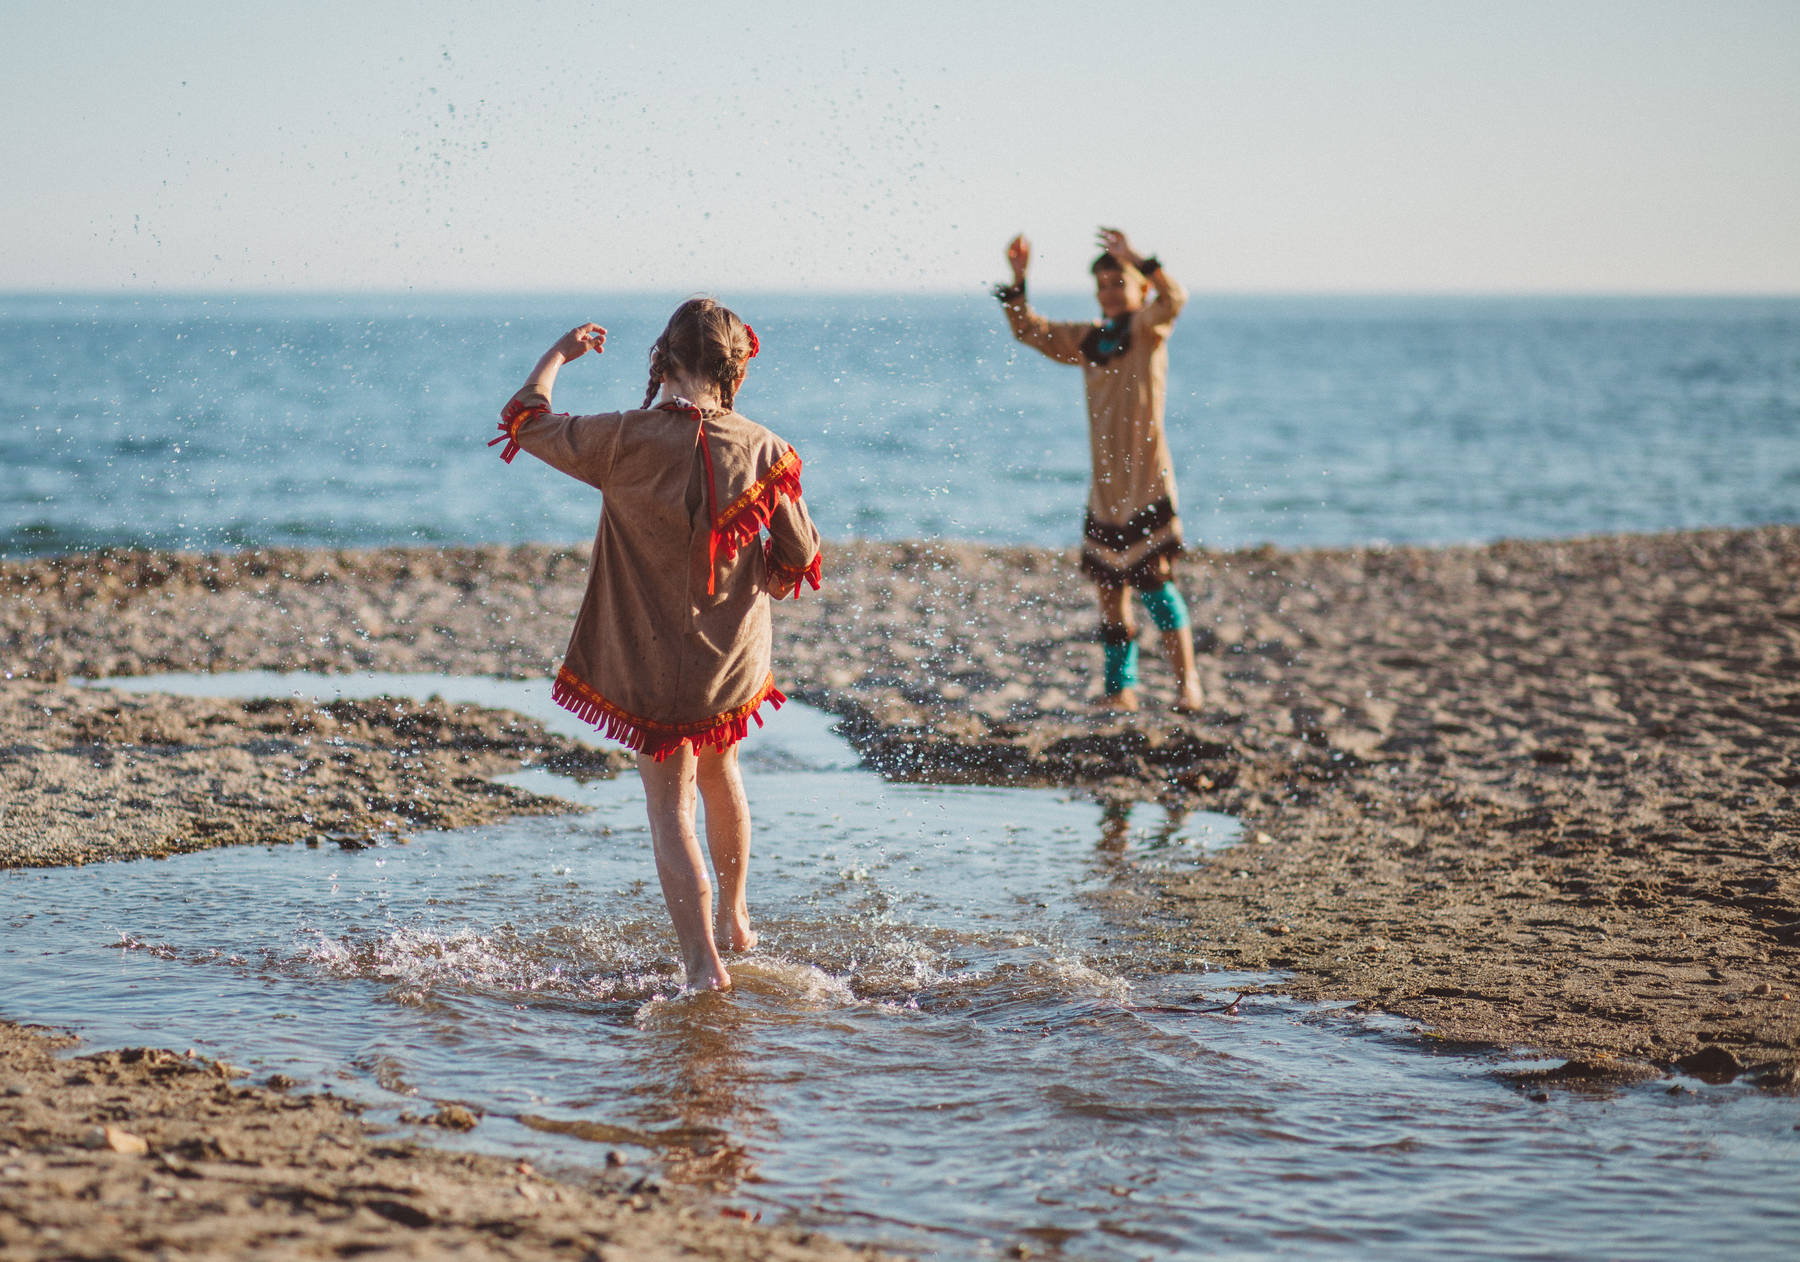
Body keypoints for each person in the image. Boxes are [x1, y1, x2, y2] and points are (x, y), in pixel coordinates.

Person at [491, 299, 822, 992]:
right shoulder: (767, 449)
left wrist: (558, 353)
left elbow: (527, 419)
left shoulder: (620, 438)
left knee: (669, 808)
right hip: (730, 661)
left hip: (647, 662)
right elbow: (801, 553)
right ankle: (736, 922)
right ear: (735, 369)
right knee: (721, 776)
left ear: (662, 362)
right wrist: (752, 562)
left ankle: (704, 966)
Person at [995, 226, 1203, 713]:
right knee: (1110, 591)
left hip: (1147, 480)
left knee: (1155, 584)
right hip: (1106, 487)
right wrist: (1019, 278)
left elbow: (1176, 298)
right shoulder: (1091, 341)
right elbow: (1030, 331)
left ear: (1140, 290)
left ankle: (1186, 684)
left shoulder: (1146, 331)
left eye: (1119, 283)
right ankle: (1119, 689)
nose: (1110, 293)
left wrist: (1138, 257)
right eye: (1103, 286)